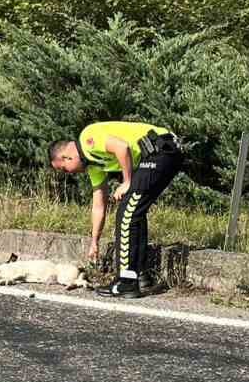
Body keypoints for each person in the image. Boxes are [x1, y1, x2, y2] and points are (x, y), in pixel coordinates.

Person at [48, 121, 183, 297]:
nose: (69, 174)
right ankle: (141, 277)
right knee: (133, 211)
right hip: (160, 153)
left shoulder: (88, 138)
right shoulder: (94, 165)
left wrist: (127, 182)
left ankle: (126, 282)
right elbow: (99, 205)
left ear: (66, 157)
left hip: (160, 150)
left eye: (64, 169)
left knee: (127, 213)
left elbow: (121, 147)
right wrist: (94, 241)